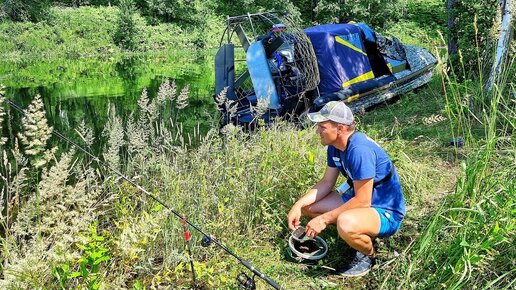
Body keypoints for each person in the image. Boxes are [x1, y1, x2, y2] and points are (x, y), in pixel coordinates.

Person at [287, 101, 405, 277]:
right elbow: (327, 183)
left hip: (385, 208)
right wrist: (297, 205)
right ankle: (356, 234)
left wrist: (324, 220)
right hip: (360, 198)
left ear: (340, 128)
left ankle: (369, 255)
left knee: (345, 222)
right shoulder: (334, 147)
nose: (317, 131)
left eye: (322, 126)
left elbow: (363, 201)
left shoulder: (359, 150)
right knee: (308, 208)